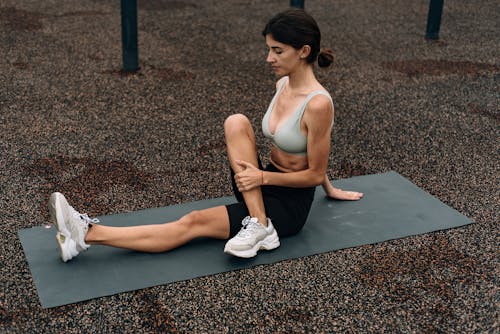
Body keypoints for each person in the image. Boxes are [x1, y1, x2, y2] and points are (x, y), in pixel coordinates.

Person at [49, 8, 363, 262]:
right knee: (236, 121)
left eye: (277, 51)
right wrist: (276, 181)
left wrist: (268, 180)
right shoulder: (282, 85)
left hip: (288, 204)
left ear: (304, 51)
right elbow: (310, 150)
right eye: (269, 49)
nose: (269, 58)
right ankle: (259, 224)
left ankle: (86, 235)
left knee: (194, 222)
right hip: (258, 185)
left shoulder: (318, 104)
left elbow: (314, 171)